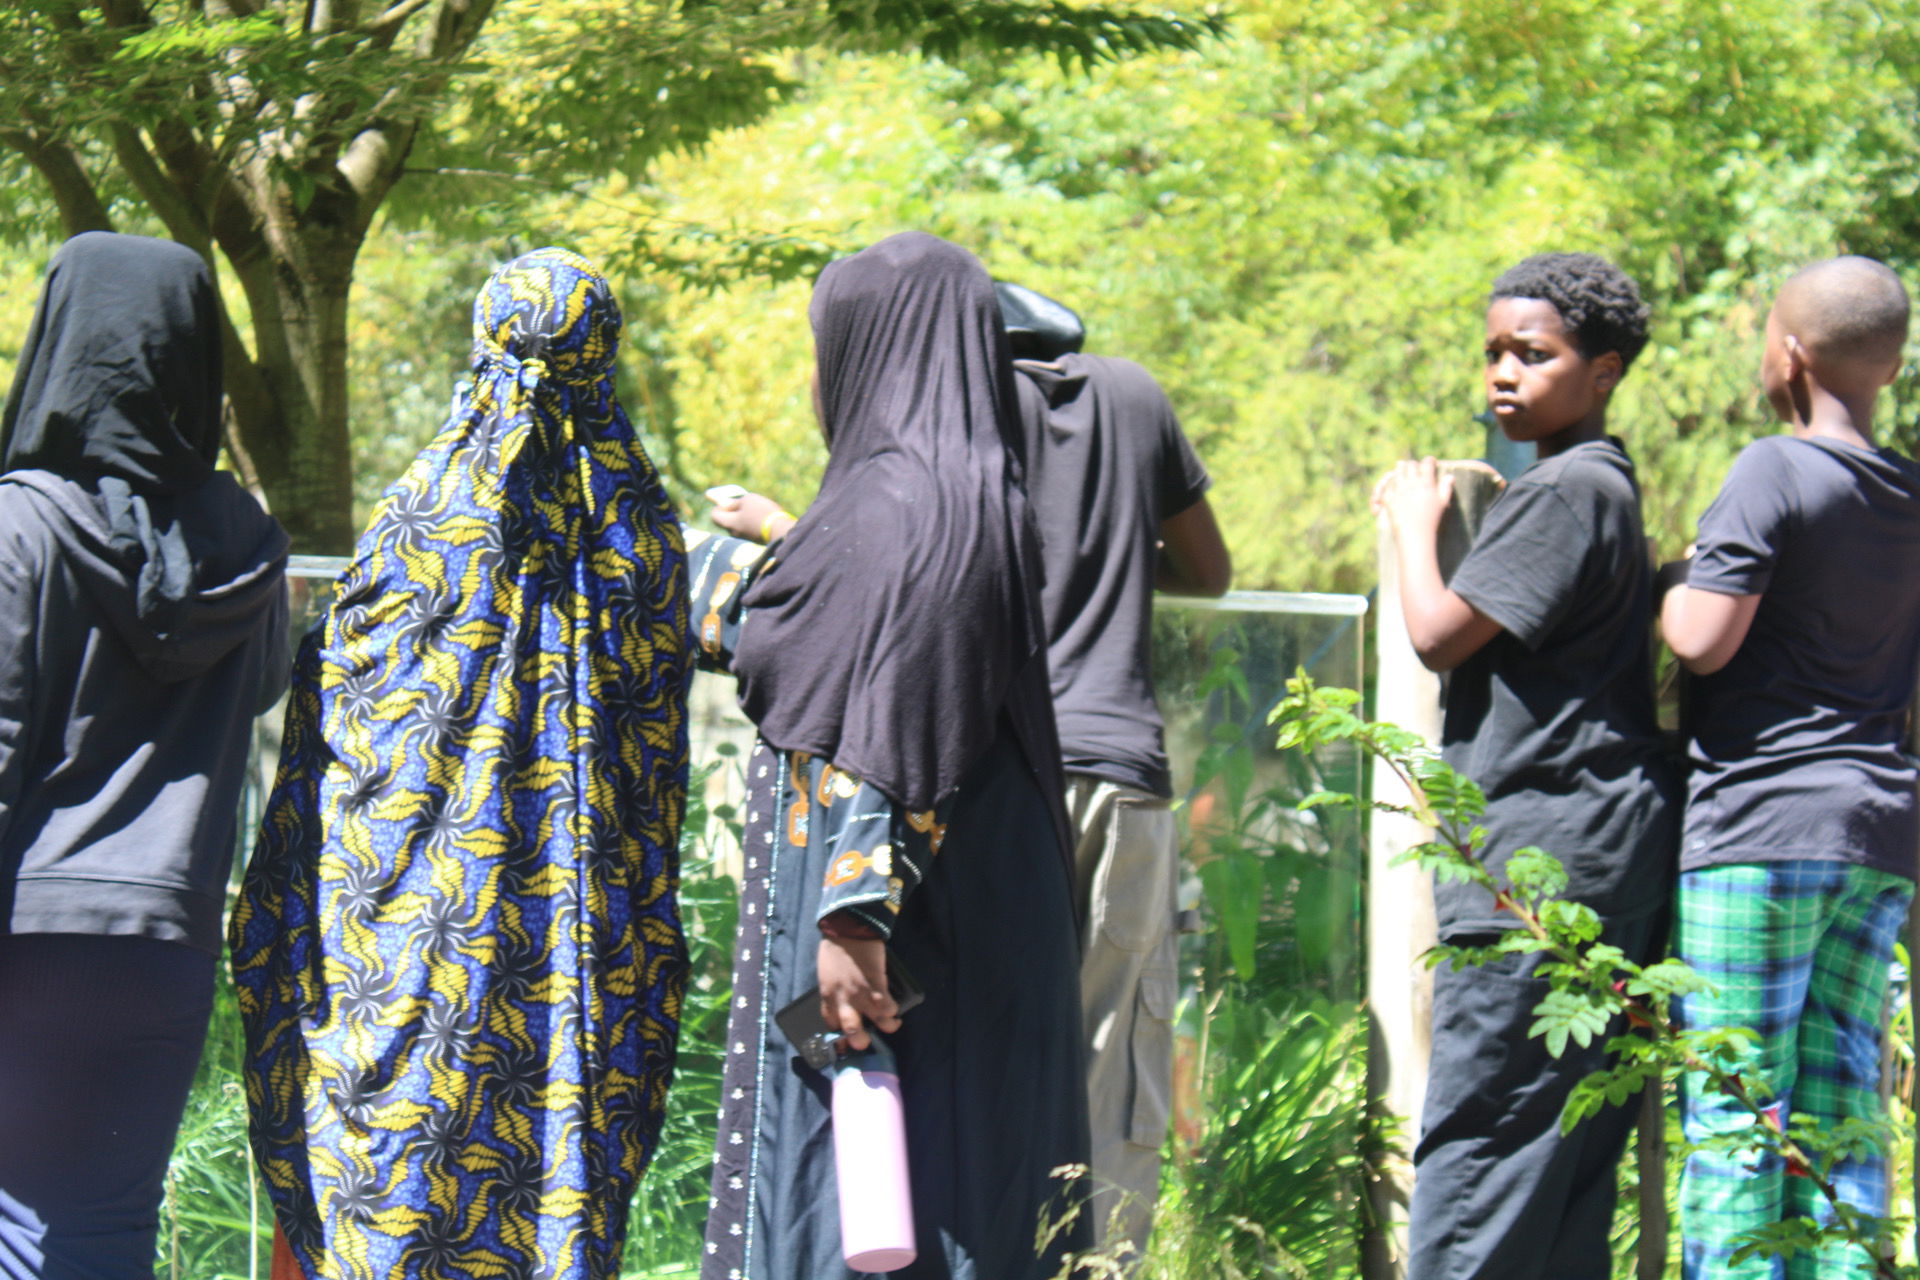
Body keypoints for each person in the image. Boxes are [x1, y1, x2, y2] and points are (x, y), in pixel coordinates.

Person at [228, 248, 692, 1280]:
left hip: (402, 972)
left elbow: (335, 732)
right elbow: (654, 770)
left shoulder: (421, 529)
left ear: (482, 345)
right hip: (574, 969)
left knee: (387, 1198)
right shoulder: (642, 539)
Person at [693, 231, 1090, 1280]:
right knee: (944, 1186)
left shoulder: (904, 509)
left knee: (896, 1199)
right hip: (958, 898)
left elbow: (893, 711)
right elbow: (808, 630)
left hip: (901, 922)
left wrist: (850, 918)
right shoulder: (949, 495)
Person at [1372, 252, 1680, 1280]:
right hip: (1605, 850)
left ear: (1605, 371)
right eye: (1495, 352)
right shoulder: (1607, 488)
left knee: (1484, 1143)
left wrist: (1418, 529)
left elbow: (1437, 633)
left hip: (1542, 863)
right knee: (1564, 1160)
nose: (1504, 373)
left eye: (1534, 354)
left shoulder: (1565, 491)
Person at [0, 232, 290, 1278]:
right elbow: (258, 688)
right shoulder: (247, 542)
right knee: (101, 1232)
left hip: (27, 928)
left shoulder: (19, 528)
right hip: (164, 940)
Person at [1660, 256, 1920, 1280]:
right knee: (1843, 1106)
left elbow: (1702, 639)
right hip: (1880, 833)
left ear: (1792, 351)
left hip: (1760, 831)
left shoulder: (1773, 467)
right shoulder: (1909, 492)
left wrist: (1678, 575)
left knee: (1737, 1108)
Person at [994, 281, 1230, 1255]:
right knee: (1115, 1043)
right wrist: (1127, 559)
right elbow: (1210, 570)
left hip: (999, 774)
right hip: (1124, 771)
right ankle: (1099, 1264)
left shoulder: (969, 401)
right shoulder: (1135, 396)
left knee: (990, 1030)